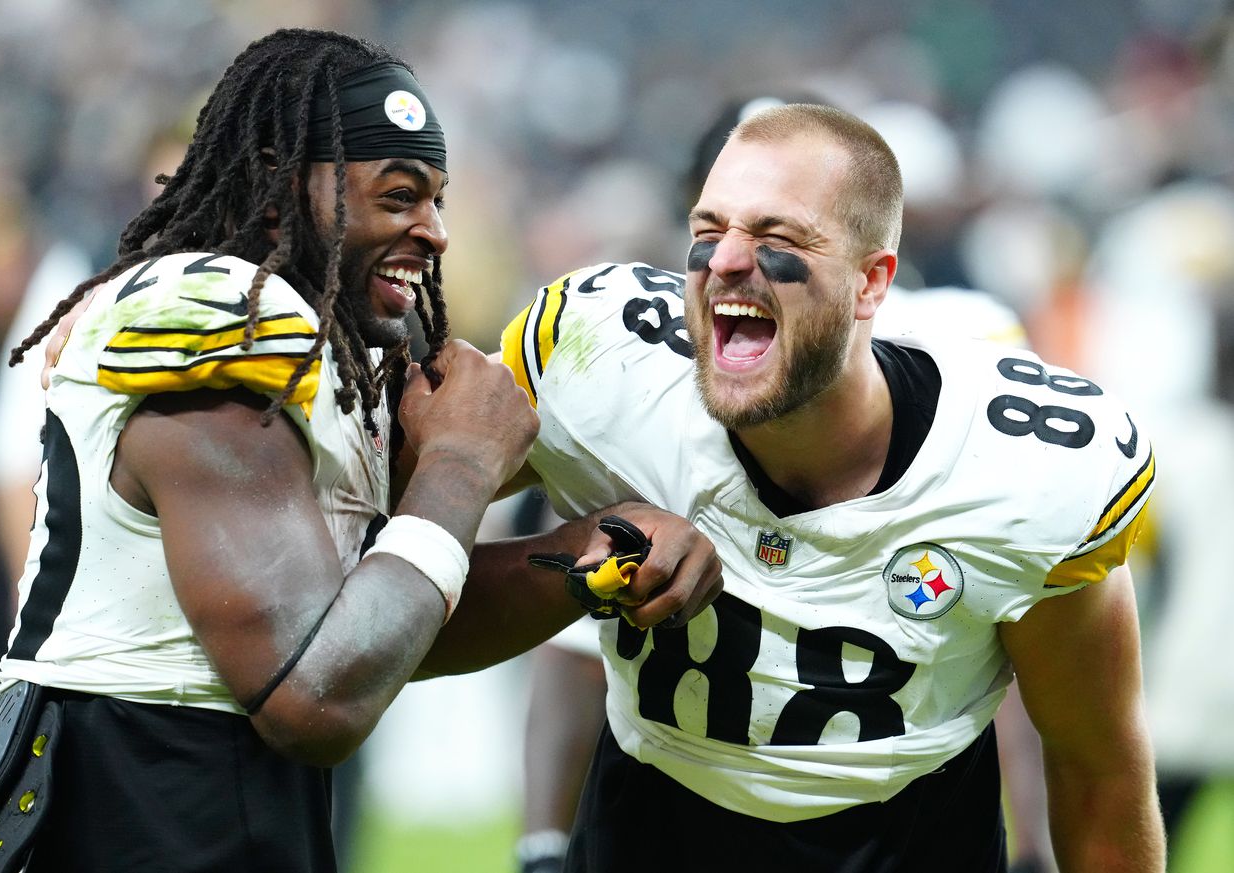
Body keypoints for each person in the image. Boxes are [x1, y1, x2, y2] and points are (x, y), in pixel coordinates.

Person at [0, 28, 721, 873]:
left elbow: (374, 623)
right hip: (135, 792)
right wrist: (457, 465)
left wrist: (583, 556)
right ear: (279, 194)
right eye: (400, 195)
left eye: (437, 199)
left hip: (210, 796)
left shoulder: (323, 347)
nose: (436, 232)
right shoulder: (219, 324)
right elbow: (314, 698)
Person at [489, 103, 1163, 871]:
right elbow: (402, 555)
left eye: (777, 238)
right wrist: (569, 549)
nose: (726, 262)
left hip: (914, 837)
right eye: (708, 232)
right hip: (646, 819)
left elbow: (1097, 765)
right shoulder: (604, 364)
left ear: (873, 280)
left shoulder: (1025, 465)